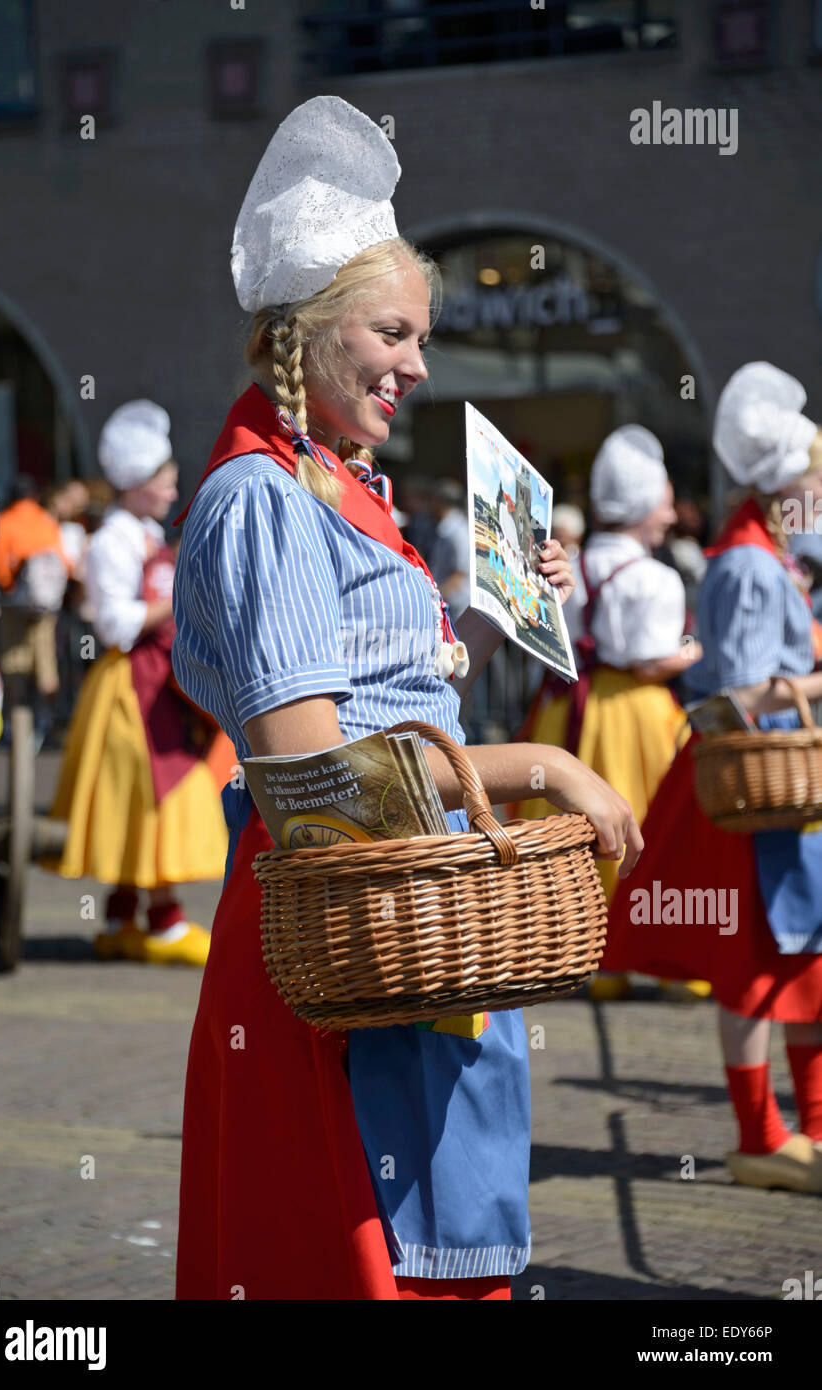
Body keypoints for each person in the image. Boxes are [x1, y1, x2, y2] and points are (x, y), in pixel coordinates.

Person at [171, 96, 642, 1301]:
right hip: (339, 945)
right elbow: (318, 769)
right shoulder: (266, 497)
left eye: (418, 336)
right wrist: (539, 769)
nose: (419, 365)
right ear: (306, 332)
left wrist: (494, 612)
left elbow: (396, 697)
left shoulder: (336, 480)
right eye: (392, 332)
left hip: (409, 933)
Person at [603, 362, 822, 1193]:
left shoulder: (765, 555)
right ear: (778, 488)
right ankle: (760, 1138)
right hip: (758, 796)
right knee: (755, 966)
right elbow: (736, 690)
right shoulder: (746, 565)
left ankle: (797, 1130)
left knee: (799, 962)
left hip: (782, 796)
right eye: (809, 478)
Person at [509, 426, 708, 1002]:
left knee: (573, 832)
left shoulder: (569, 561)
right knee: (656, 827)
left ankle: (589, 958)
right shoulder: (656, 578)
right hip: (636, 713)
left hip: (569, 710)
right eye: (665, 503)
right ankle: (671, 959)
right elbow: (648, 664)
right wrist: (694, 651)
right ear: (646, 506)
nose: (670, 516)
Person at [41, 401, 234, 966]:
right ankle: (163, 920)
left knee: (142, 798)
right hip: (133, 685)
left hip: (156, 680)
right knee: (154, 795)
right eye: (166, 482)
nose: (173, 493)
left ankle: (122, 917)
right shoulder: (111, 542)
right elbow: (113, 623)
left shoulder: (145, 534)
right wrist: (172, 603)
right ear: (140, 483)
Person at [0, 475, 71, 747]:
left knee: (15, 664)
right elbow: (64, 563)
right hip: (45, 606)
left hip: (14, 606)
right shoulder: (46, 521)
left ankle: (18, 724)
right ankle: (46, 721)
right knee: (46, 664)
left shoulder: (2, 522)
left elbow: (0, 572)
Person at [428, 477, 470, 621]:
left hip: (456, 609)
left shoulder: (458, 531)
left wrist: (432, 598)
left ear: (440, 502)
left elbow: (460, 574)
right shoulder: (447, 527)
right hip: (447, 605)